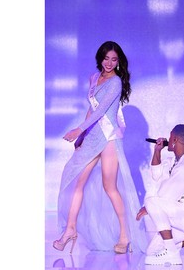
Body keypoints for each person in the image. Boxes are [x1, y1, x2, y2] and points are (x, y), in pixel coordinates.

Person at [53, 41, 147, 254]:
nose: (109, 63)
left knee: (109, 187)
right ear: (100, 58)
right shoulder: (94, 78)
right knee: (77, 181)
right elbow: (91, 109)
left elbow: (101, 112)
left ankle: (125, 235)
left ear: (118, 61)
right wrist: (83, 136)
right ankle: (70, 230)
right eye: (106, 58)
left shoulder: (115, 83)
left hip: (109, 137)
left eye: (114, 60)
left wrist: (78, 129)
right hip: (93, 135)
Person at [136, 124, 184, 265]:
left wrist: (148, 208)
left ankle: (172, 254)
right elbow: (156, 175)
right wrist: (157, 151)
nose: (168, 138)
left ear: (175, 140)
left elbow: (164, 197)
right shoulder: (176, 160)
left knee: (152, 202)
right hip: (182, 217)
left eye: (170, 136)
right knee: (152, 251)